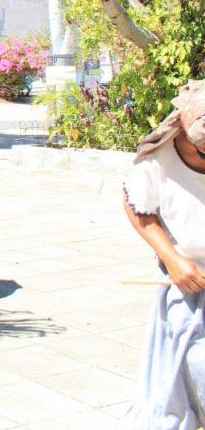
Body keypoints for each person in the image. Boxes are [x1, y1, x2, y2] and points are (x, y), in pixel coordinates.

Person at [123, 80, 205, 429]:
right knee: (194, 362)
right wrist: (172, 259)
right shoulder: (156, 160)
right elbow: (135, 204)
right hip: (188, 279)